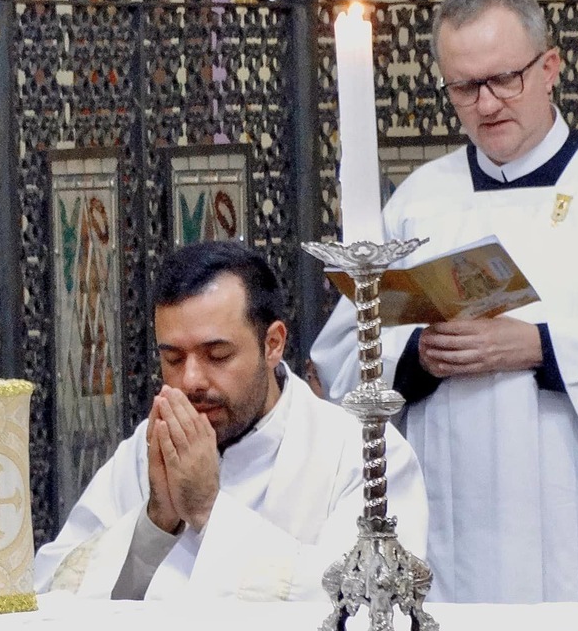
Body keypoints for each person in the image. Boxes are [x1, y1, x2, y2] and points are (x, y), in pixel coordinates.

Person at [311, 0, 578, 604]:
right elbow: (343, 357)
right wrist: (415, 359)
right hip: (447, 513)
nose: (486, 105)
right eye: (464, 87)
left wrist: (540, 348)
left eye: (503, 80)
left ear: (549, 67)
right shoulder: (418, 202)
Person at [34, 240, 427, 601]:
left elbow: (372, 605)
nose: (190, 380)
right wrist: (155, 522)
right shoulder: (149, 447)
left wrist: (207, 509)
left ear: (272, 344)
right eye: (172, 359)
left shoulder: (362, 452)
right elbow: (55, 589)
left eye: (217, 355)